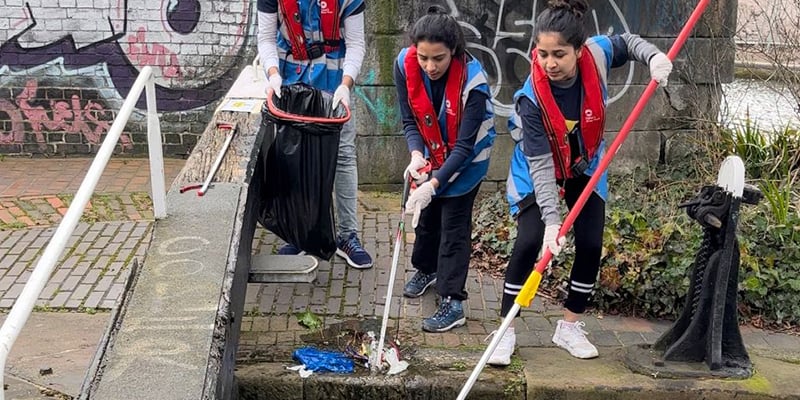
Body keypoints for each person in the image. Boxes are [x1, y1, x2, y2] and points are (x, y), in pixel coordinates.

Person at [488, 0, 673, 365]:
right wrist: (552, 222)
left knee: (590, 243)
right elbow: (541, 168)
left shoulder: (598, 54)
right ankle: (505, 330)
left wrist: (653, 58)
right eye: (542, 54)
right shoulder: (531, 100)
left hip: (586, 165)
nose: (549, 63)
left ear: (579, 49)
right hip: (536, 172)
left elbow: (629, 42)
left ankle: (569, 326)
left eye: (559, 54)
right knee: (529, 244)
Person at [394, 5, 497, 333]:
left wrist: (434, 183)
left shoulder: (474, 84)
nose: (429, 66)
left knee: (453, 227)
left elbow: (465, 148)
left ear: (454, 51)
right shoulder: (403, 64)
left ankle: (453, 301)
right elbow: (410, 119)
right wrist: (415, 155)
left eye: (438, 58)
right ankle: (426, 269)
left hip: (467, 163)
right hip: (431, 153)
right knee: (427, 219)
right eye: (423, 57)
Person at [256, 0, 373, 269]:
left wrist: (346, 84)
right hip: (290, 80)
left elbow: (356, 44)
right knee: (294, 157)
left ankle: (347, 236)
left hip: (335, 83)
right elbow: (265, 38)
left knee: (342, 156)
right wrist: (272, 74)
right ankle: (301, 233)